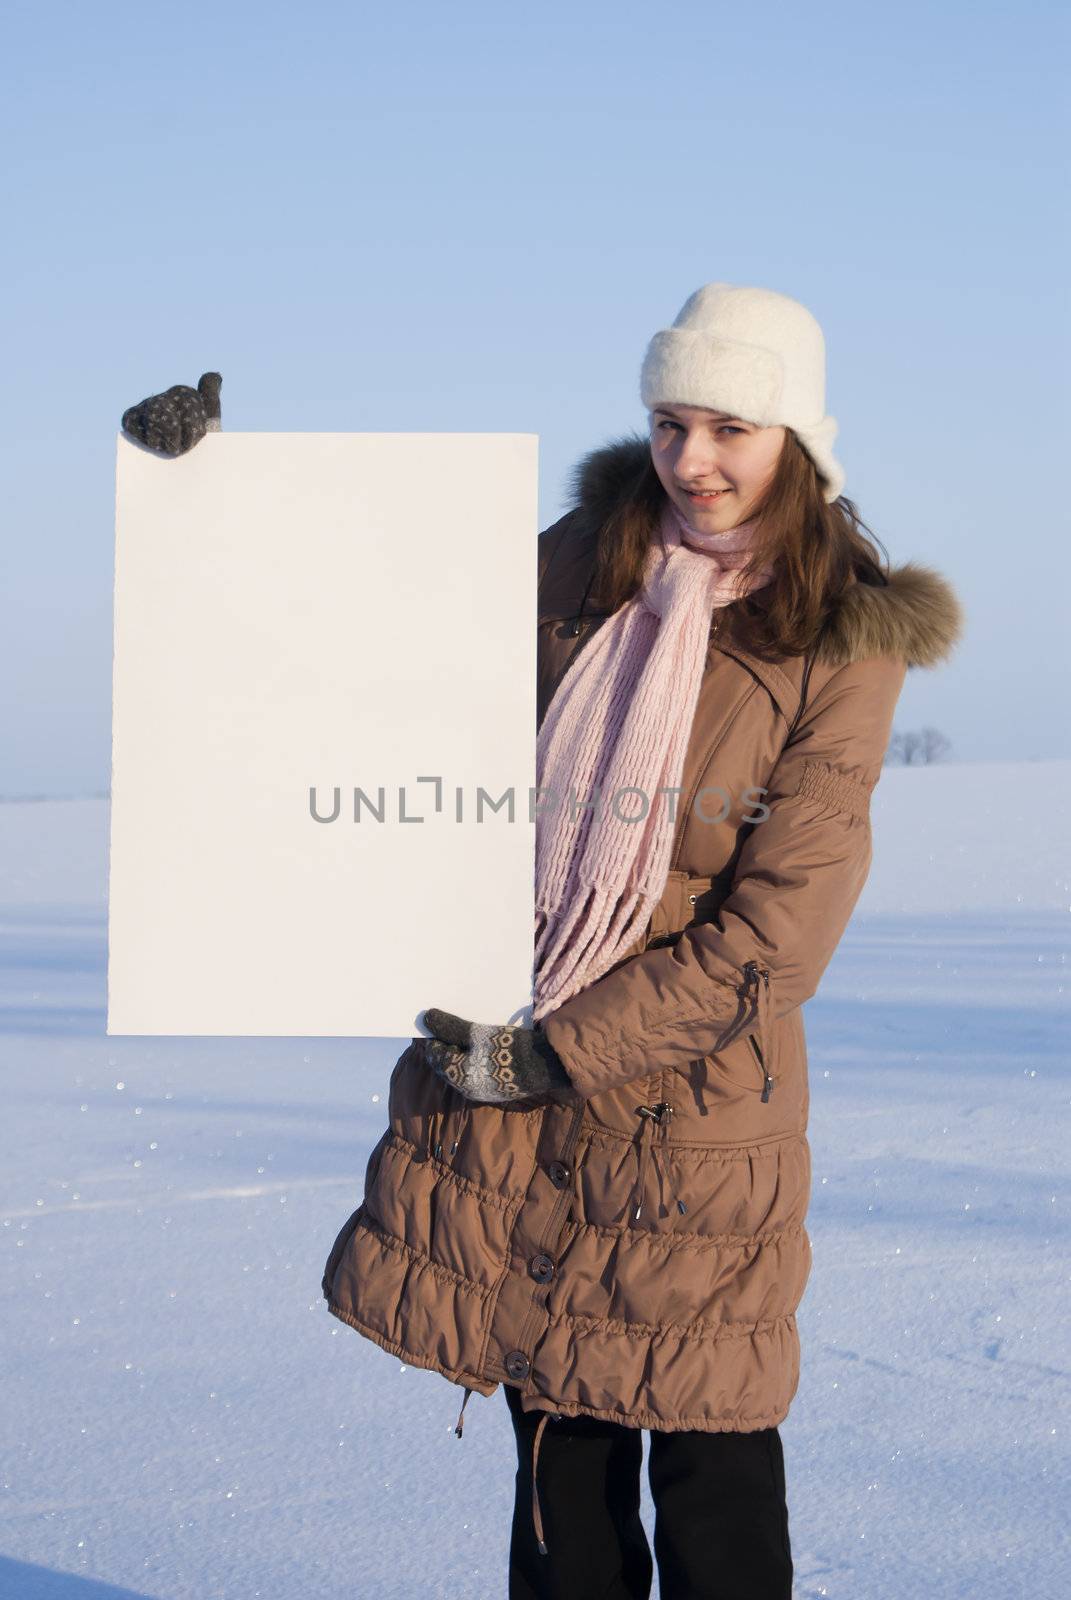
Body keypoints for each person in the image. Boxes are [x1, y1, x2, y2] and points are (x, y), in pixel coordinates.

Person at [123, 283, 964, 1599]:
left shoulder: (841, 633)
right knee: (560, 1482)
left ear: (795, 434)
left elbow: (774, 939)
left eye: (731, 426)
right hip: (523, 1093)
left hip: (691, 1128)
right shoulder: (581, 555)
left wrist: (555, 1056)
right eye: (671, 421)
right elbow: (372, 642)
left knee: (716, 1489)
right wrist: (211, 500)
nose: (694, 459)